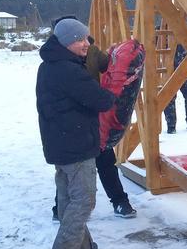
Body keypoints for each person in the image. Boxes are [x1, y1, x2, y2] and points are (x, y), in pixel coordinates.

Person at [37, 19, 115, 249]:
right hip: (75, 146)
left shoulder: (50, 65)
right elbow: (101, 99)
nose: (86, 44)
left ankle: (81, 247)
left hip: (60, 144)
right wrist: (119, 89)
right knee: (83, 200)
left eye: (87, 38)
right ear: (66, 42)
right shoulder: (67, 71)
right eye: (80, 39)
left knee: (68, 198)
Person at [49, 18, 138, 219]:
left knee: (105, 160)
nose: (84, 42)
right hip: (70, 125)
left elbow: (107, 66)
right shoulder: (55, 62)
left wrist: (115, 55)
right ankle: (59, 208)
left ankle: (119, 202)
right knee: (69, 170)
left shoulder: (91, 52)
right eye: (78, 38)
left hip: (94, 119)